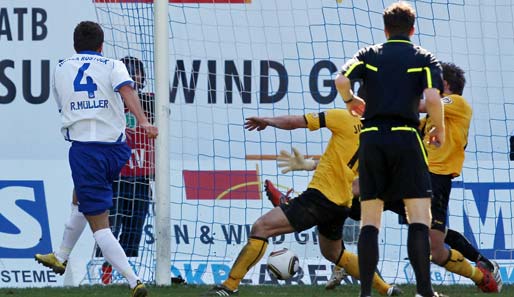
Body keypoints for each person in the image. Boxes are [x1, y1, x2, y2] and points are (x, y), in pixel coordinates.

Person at [203, 109, 401, 296]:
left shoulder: (344, 117)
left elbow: (296, 122)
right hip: (342, 205)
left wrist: (268, 121)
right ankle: (386, 289)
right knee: (334, 254)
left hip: (320, 198)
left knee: (261, 228)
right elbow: (348, 164)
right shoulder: (377, 138)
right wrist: (310, 165)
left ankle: (230, 285)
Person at [34, 21, 157, 297]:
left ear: (74, 44)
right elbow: (128, 91)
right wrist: (144, 122)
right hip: (116, 149)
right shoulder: (114, 65)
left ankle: (133, 280)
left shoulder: (61, 67)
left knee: (99, 225)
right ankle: (61, 256)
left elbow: (62, 104)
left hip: (87, 151)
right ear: (101, 46)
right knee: (80, 198)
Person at [335, 2, 445, 297]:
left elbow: (341, 79)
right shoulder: (423, 56)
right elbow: (433, 99)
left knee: (371, 219)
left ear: (385, 29)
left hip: (372, 138)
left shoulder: (369, 54)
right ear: (412, 28)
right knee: (419, 217)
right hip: (407, 137)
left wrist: (349, 101)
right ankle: (425, 291)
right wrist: (440, 128)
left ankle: (366, 294)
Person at [418, 62, 501, 292]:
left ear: (445, 84)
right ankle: (480, 262)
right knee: (430, 232)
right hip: (421, 176)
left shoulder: (456, 102)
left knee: (435, 242)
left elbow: (422, 105)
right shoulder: (435, 116)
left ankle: (481, 271)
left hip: (437, 177)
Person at [98, 56, 155, 285]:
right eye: (130, 72)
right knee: (108, 228)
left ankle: (129, 273)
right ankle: (102, 272)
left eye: (137, 72)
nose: (135, 77)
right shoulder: (108, 101)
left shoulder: (150, 101)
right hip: (116, 175)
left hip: (141, 176)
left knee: (134, 229)